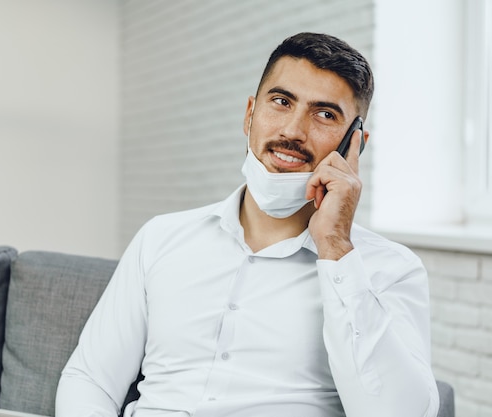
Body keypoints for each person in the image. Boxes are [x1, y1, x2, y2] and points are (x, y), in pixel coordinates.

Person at [56, 32, 439, 417]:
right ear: (249, 114)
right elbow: (90, 378)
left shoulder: (390, 269)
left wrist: (336, 248)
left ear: (355, 143)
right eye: (281, 102)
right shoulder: (160, 238)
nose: (292, 131)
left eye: (324, 114)